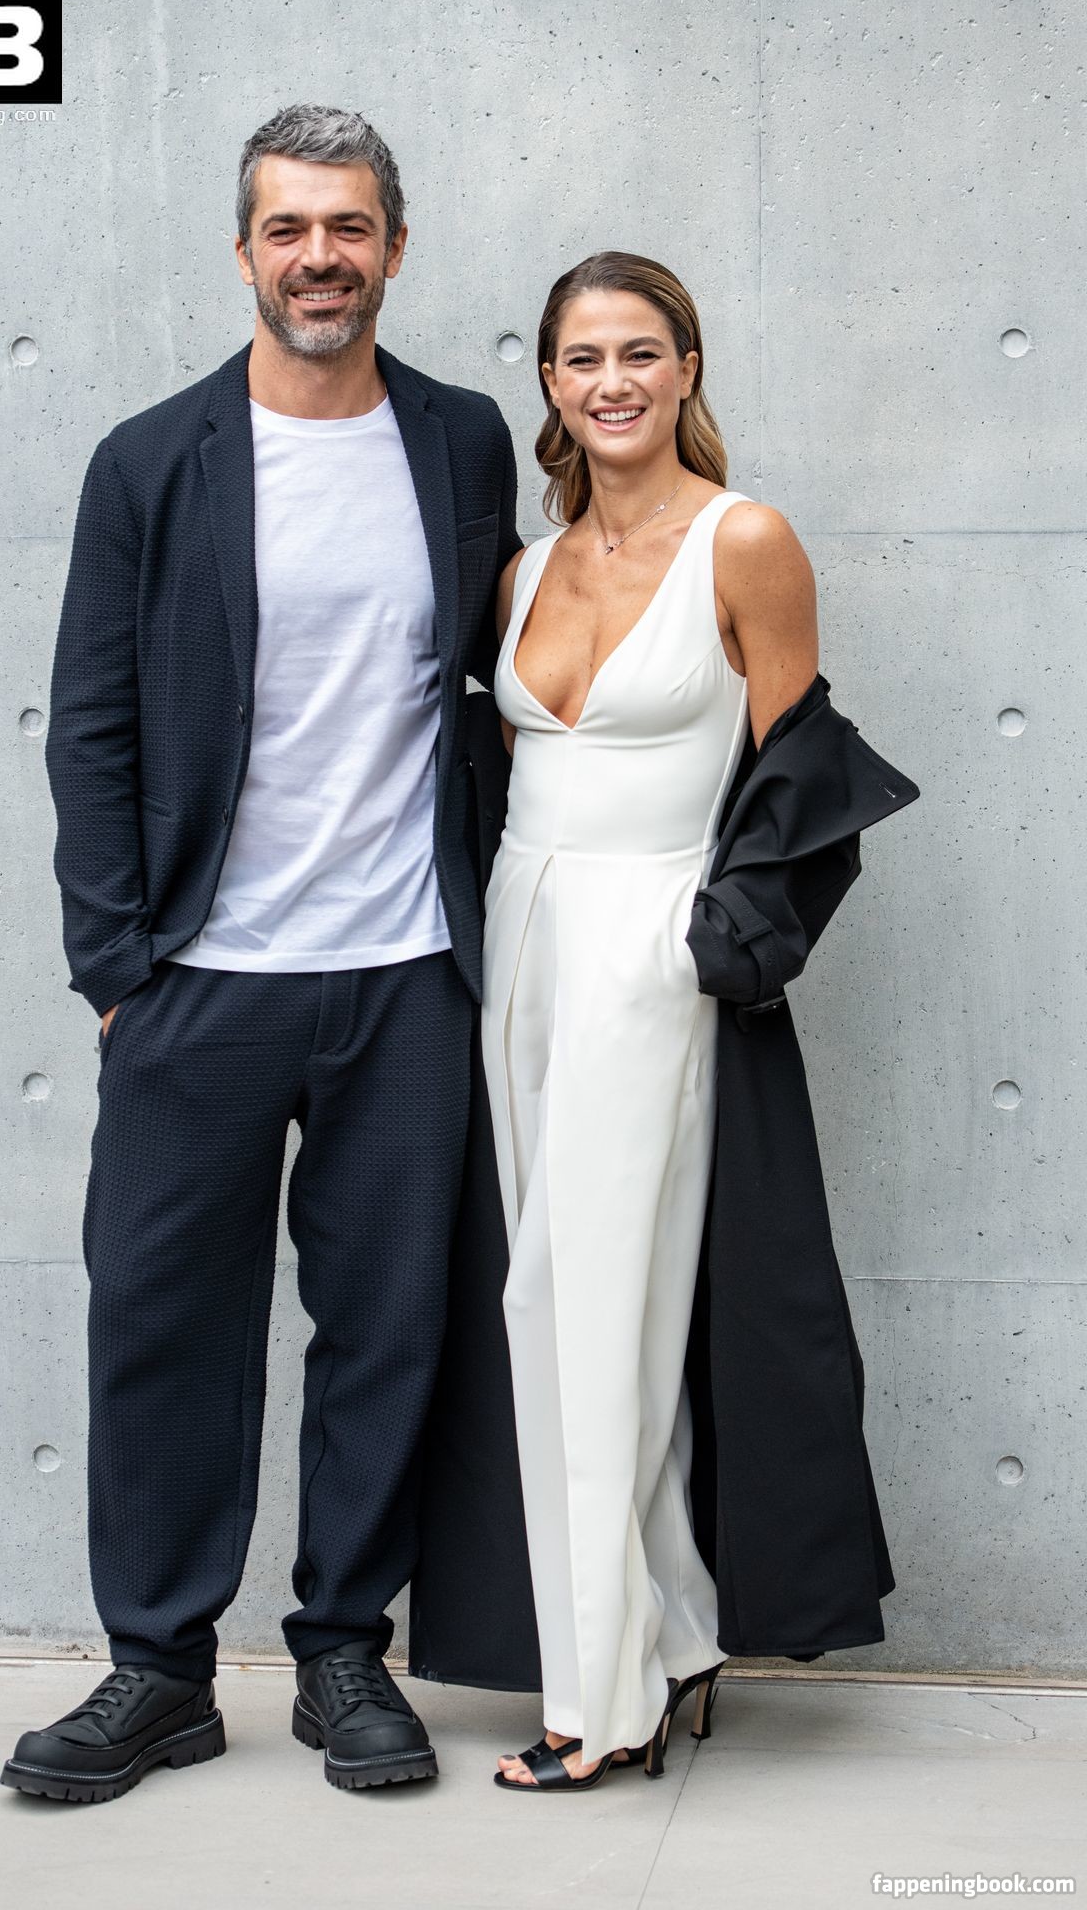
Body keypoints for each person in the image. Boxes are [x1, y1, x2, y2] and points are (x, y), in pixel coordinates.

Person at [0, 102, 521, 1805]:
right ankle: (158, 1670)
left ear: (395, 248)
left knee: (385, 1326)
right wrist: (116, 972)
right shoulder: (152, 461)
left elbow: (489, 690)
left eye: (349, 226)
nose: (320, 257)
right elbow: (91, 722)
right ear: (244, 250)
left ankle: (343, 1651)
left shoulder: (458, 443)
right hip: (198, 984)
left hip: (404, 976)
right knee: (162, 1322)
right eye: (289, 227)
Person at [475, 251, 912, 1791]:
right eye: (583, 358)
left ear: (687, 367)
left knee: (606, 1309)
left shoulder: (747, 540)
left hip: (649, 955)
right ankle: (663, 1636)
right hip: (522, 947)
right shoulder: (524, 572)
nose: (614, 382)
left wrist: (709, 945)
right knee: (549, 1305)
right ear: (550, 382)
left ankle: (603, 1703)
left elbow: (797, 783)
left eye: (641, 353)